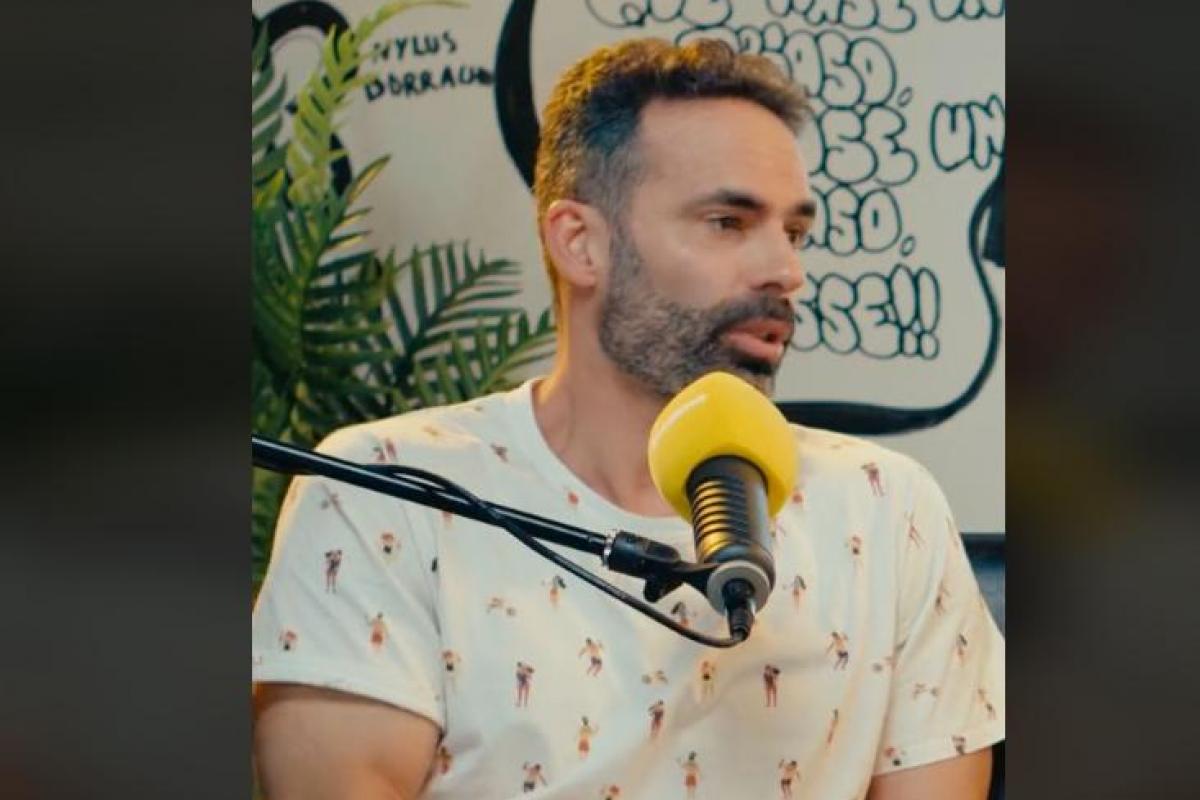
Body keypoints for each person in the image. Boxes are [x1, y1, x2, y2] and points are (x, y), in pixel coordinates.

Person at [252, 36, 1005, 799]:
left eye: (795, 232)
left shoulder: (887, 507)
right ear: (581, 243)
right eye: (727, 222)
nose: (786, 270)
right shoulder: (387, 490)